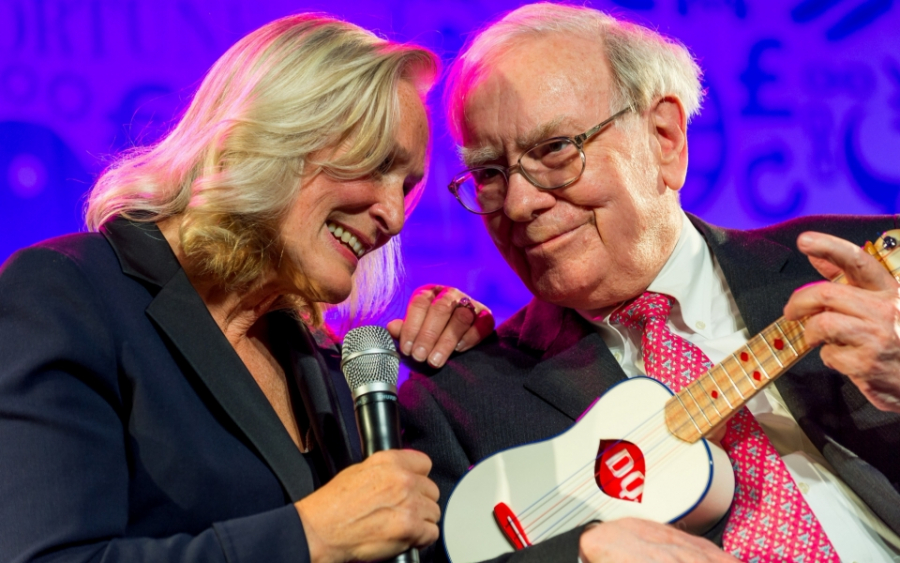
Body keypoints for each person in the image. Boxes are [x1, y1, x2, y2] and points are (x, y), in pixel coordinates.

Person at [397, 4, 900, 562]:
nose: (518, 204)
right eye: (490, 173)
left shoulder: (867, 264)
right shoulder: (463, 398)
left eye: (554, 149)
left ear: (665, 138)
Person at [0, 14, 494, 563]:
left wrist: (471, 372)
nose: (394, 216)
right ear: (275, 133)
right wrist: (310, 536)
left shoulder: (326, 366)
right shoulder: (67, 295)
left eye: (407, 186)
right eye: (376, 165)